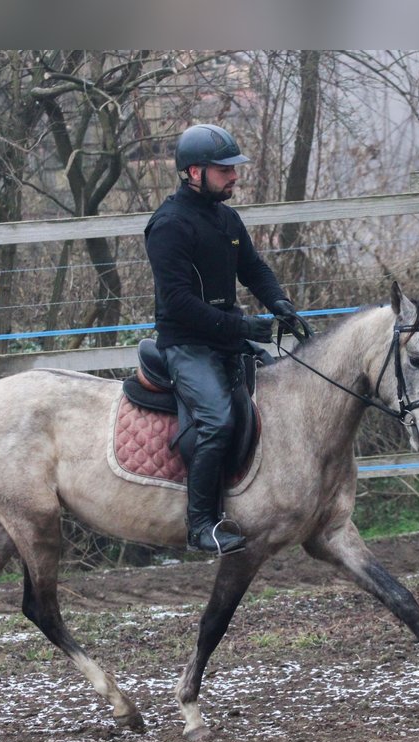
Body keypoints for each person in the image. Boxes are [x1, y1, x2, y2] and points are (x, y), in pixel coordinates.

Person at [144, 123, 311, 556]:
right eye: (225, 169)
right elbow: (178, 303)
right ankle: (202, 525)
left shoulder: (226, 217)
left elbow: (253, 269)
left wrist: (281, 304)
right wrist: (240, 328)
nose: (235, 176)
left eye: (234, 168)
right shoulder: (168, 225)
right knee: (216, 421)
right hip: (186, 344)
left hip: (225, 338)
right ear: (194, 172)